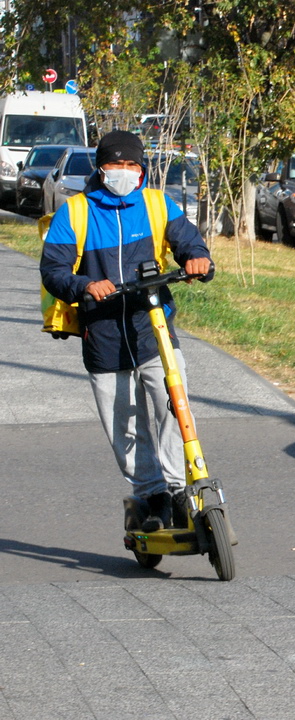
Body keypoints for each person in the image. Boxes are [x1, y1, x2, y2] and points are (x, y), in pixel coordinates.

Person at [40, 130, 213, 533]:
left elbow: (187, 241)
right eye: (115, 164)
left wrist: (198, 259)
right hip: (102, 333)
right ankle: (151, 494)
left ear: (142, 169)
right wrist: (83, 285)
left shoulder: (156, 204)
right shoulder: (77, 212)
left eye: (131, 165)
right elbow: (53, 270)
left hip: (152, 327)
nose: (123, 171)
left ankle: (176, 488)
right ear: (101, 168)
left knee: (175, 405)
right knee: (125, 424)